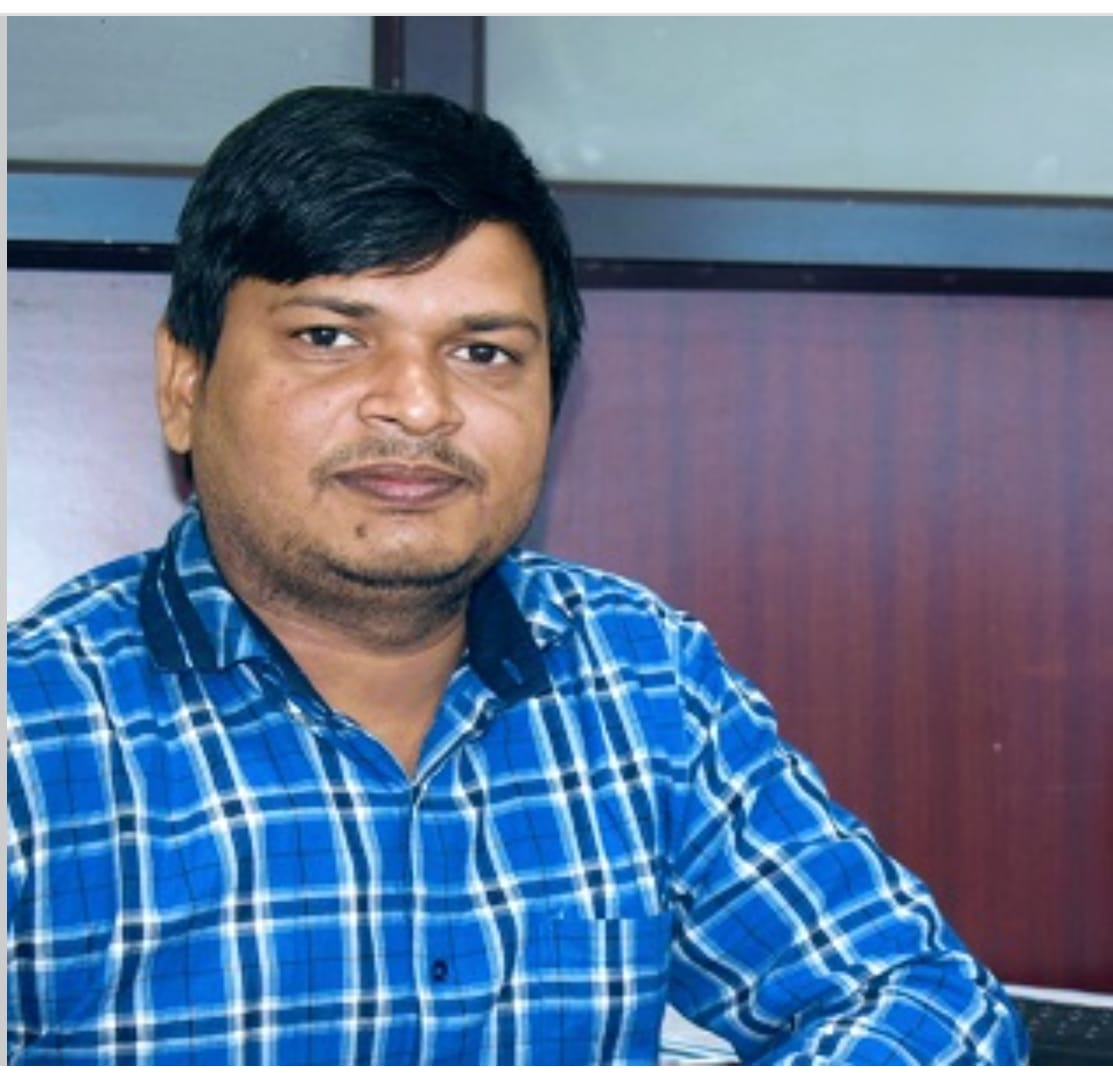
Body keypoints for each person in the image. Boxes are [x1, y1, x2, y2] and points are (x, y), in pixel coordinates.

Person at [6, 86, 1028, 1066]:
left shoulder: (640, 676)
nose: (418, 405)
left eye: (484, 353)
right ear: (184, 383)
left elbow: (922, 999)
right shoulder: (33, 736)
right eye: (330, 337)